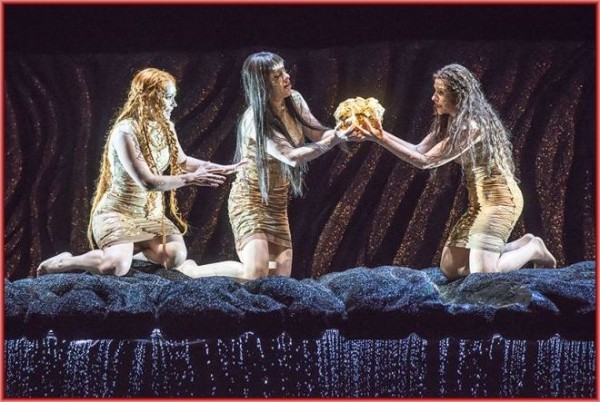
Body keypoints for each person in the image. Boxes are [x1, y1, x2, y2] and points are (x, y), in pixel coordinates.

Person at [347, 63, 556, 280]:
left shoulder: (471, 128)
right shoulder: (450, 124)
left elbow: (425, 161)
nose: (433, 98)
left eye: (440, 92)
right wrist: (377, 135)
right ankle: (522, 244)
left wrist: (381, 138)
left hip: (500, 201)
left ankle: (534, 249)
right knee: (452, 268)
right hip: (479, 203)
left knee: (484, 274)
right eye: (435, 91)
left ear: (458, 95)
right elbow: (418, 150)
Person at [37, 67, 245, 277]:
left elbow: (182, 161)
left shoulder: (165, 126)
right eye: (168, 97)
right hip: (119, 213)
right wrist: (190, 179)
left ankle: (130, 256)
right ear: (149, 97)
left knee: (175, 256)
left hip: (150, 215)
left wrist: (219, 167)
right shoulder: (125, 132)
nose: (174, 104)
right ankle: (65, 262)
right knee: (115, 267)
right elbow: (148, 182)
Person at [177, 51, 354, 281]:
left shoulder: (294, 100)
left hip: (277, 203)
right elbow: (291, 157)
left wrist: (345, 131)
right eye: (277, 76)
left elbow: (318, 133)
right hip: (250, 201)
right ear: (262, 85)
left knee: (278, 281)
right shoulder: (254, 120)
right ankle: (191, 271)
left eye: (284, 71)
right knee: (255, 273)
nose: (286, 77)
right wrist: (334, 139)